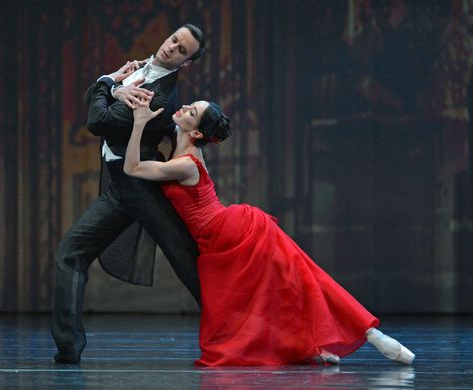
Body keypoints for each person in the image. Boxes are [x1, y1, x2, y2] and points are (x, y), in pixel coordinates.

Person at [123, 99, 416, 366]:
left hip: (230, 231)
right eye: (189, 106)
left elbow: (133, 168)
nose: (184, 107)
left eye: (192, 111)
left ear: (197, 133)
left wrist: (139, 121)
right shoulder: (186, 149)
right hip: (224, 232)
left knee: (299, 277)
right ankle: (330, 341)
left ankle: (367, 333)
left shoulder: (185, 164)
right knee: (291, 280)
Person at [51, 24, 206, 364]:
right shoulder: (137, 71)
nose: (172, 48)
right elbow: (94, 101)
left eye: (181, 50)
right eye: (174, 40)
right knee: (72, 254)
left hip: (139, 186)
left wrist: (109, 84)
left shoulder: (159, 95)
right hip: (126, 186)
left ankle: (250, 330)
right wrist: (113, 84)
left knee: (191, 264)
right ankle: (68, 348)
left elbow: (96, 120)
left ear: (186, 63)